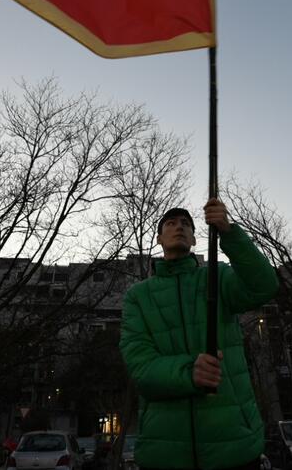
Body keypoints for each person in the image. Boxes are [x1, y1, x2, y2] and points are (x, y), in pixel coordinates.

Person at [119, 199, 279, 470]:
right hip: (164, 453)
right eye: (170, 224)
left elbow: (263, 285)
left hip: (235, 447)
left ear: (194, 239)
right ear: (159, 238)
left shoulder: (218, 277)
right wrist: (187, 373)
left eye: (186, 224)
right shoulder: (138, 296)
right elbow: (139, 365)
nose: (179, 227)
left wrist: (229, 232)